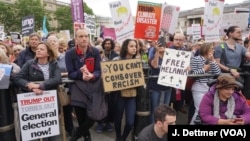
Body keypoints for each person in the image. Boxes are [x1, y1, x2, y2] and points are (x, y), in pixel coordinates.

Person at [13, 42, 62, 141]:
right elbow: (17, 78)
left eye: (42, 49)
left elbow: (57, 79)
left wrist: (40, 85)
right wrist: (30, 86)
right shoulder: (30, 63)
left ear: (48, 53)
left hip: (50, 101)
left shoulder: (54, 63)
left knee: (50, 128)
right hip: (34, 101)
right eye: (38, 49)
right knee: (35, 129)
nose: (38, 50)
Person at [65, 29, 101, 141]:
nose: (84, 38)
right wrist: (81, 74)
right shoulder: (69, 53)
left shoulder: (95, 51)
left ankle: (76, 134)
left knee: (93, 116)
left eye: (86, 36)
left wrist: (92, 76)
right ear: (76, 39)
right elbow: (71, 73)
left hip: (93, 87)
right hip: (78, 89)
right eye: (81, 36)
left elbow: (99, 70)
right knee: (80, 116)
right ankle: (87, 136)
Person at [47, 35, 74, 137]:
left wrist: (59, 75)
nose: (53, 43)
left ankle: (70, 130)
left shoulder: (65, 57)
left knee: (66, 110)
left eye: (54, 41)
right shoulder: (45, 58)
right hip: (50, 88)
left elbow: (70, 70)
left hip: (64, 88)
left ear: (58, 44)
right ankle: (50, 133)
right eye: (50, 41)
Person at [189, 42, 221, 125]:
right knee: (199, 110)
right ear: (206, 49)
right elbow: (192, 74)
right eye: (212, 49)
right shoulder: (196, 59)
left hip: (210, 89)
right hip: (199, 88)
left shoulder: (212, 60)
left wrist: (213, 61)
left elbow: (218, 73)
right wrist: (204, 70)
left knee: (210, 110)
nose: (214, 50)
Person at [113, 39, 137, 141]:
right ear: (125, 47)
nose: (134, 48)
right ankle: (118, 137)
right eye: (131, 46)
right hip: (119, 95)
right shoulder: (116, 60)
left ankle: (123, 138)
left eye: (135, 46)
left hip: (132, 95)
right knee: (117, 120)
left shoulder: (137, 62)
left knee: (130, 122)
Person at [95, 38, 118, 133]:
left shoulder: (116, 55)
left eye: (109, 43)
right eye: (106, 43)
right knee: (99, 104)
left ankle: (108, 123)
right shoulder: (98, 55)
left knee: (110, 105)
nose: (107, 45)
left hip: (111, 85)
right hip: (99, 85)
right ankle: (100, 123)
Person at [148, 40, 172, 123]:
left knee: (165, 110)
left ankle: (162, 128)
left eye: (162, 46)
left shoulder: (171, 58)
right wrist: (157, 52)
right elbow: (155, 65)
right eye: (159, 45)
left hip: (167, 88)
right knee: (155, 110)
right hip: (156, 88)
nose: (161, 47)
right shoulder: (152, 57)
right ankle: (153, 129)